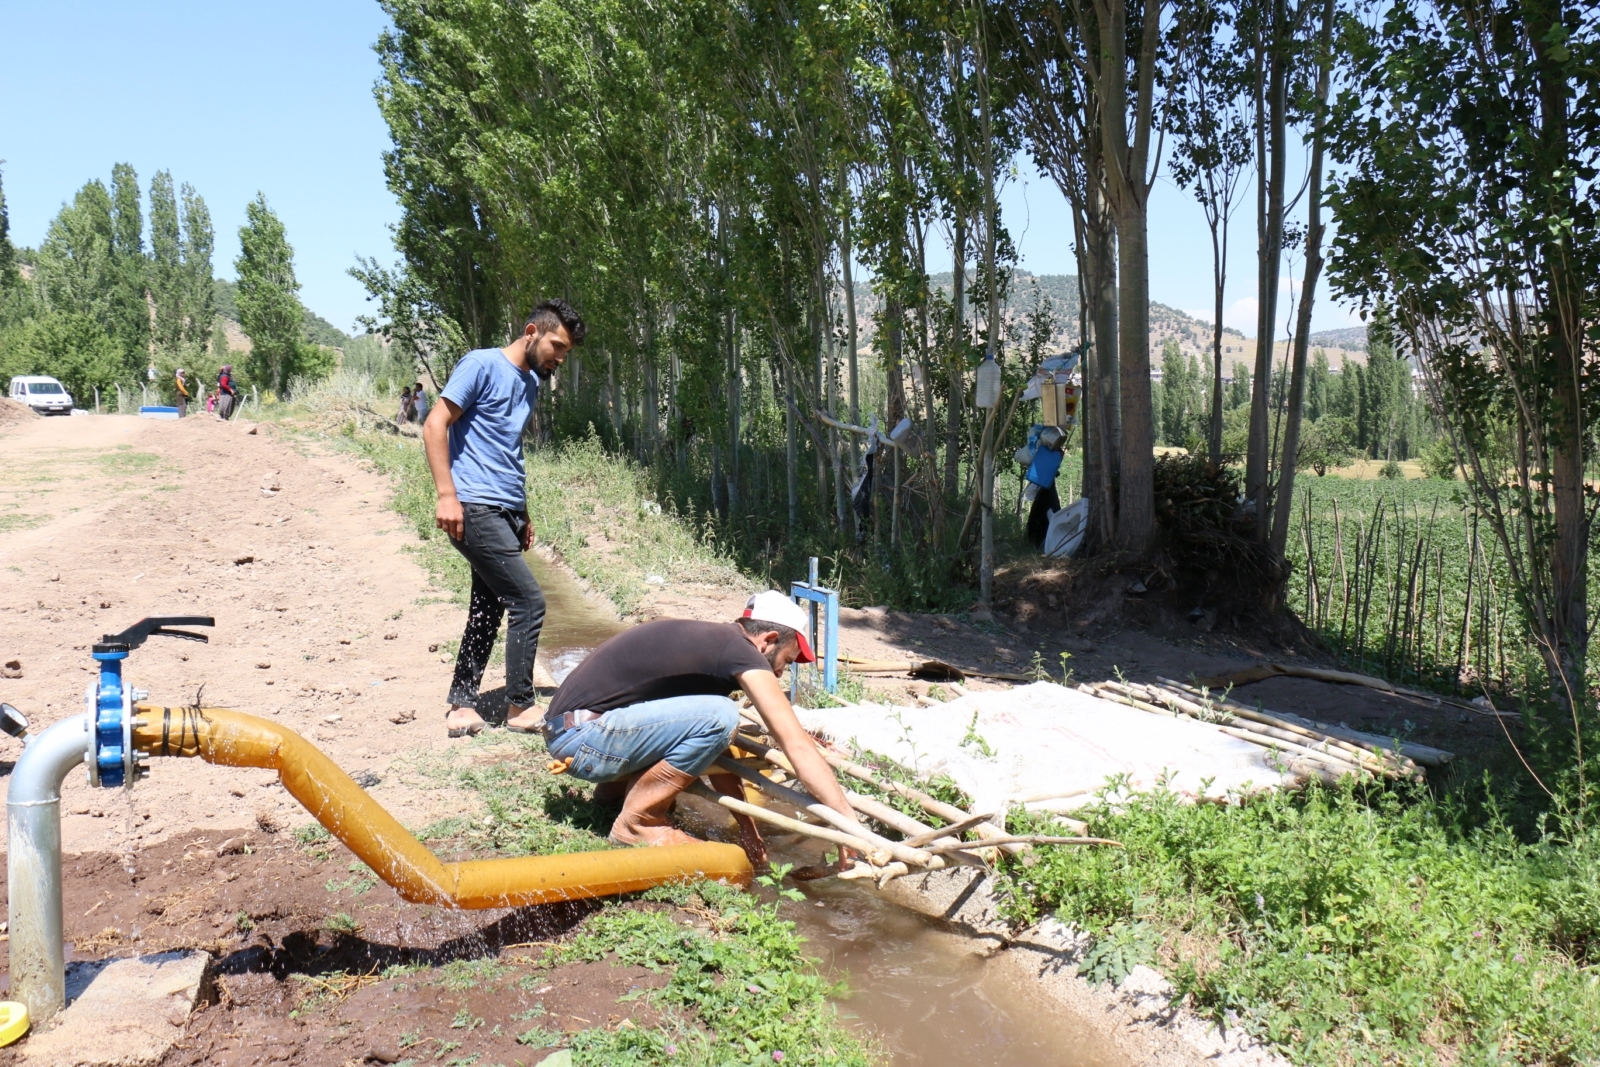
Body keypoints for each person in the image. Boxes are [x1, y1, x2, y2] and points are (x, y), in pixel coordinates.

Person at [542, 591, 862, 864]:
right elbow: (796, 746)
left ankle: (612, 797)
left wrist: (748, 832)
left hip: (573, 734)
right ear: (769, 641)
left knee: (714, 719)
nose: (780, 675)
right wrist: (850, 823)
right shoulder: (739, 652)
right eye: (787, 662)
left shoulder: (713, 646)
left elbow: (715, 749)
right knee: (722, 715)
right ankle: (638, 824)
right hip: (583, 740)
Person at [423, 299, 586, 737]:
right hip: (474, 505)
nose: (559, 357)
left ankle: (462, 705)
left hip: (506, 508)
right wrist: (446, 495)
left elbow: (506, 451)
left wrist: (523, 511)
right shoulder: (480, 365)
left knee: (489, 604)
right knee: (529, 601)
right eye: (556, 345)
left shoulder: (531, 381)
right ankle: (520, 706)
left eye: (565, 353)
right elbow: (436, 423)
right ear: (531, 331)